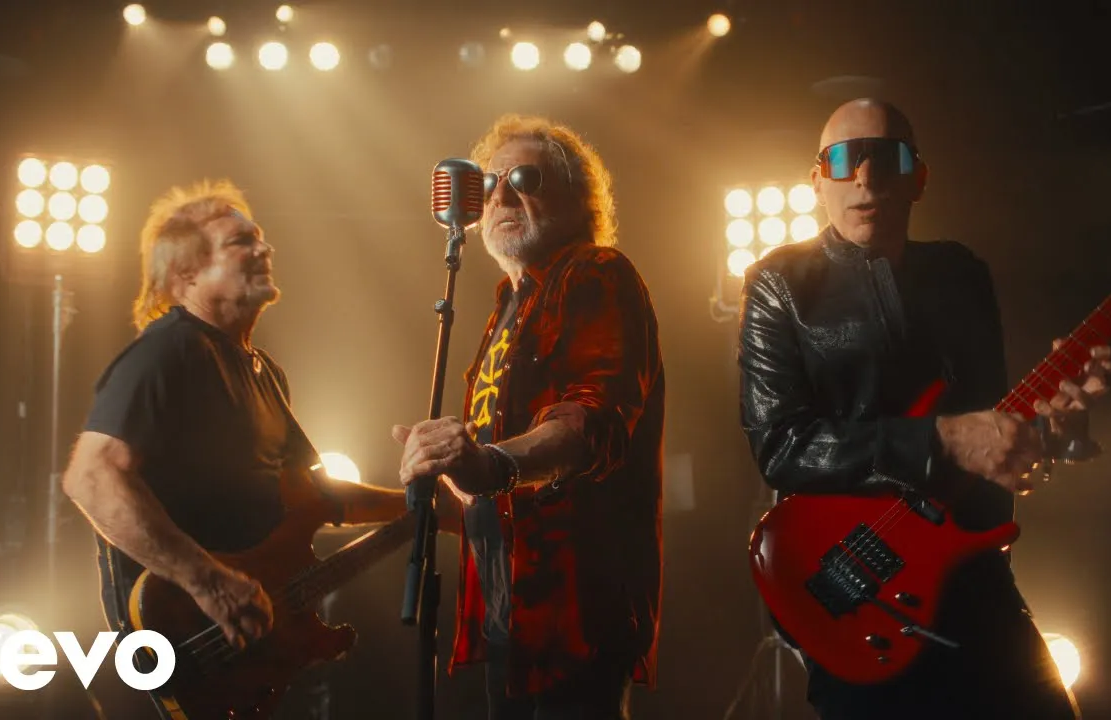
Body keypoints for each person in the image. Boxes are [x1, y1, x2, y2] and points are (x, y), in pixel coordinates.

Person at [737, 98, 1111, 720]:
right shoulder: (778, 283)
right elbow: (780, 446)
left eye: (886, 157)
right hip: (858, 581)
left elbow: (993, 439)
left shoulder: (961, 273)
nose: (865, 176)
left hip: (972, 576)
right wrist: (941, 438)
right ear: (817, 180)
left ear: (919, 178)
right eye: (843, 159)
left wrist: (1054, 430)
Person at [61, 179, 408, 719]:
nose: (264, 249)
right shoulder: (168, 351)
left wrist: (420, 504)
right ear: (187, 274)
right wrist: (206, 582)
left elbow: (315, 497)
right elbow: (90, 477)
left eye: (260, 238)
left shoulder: (264, 371)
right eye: (241, 242)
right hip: (181, 650)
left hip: (250, 655)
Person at [392, 114, 665, 719]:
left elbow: (590, 423)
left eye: (525, 179)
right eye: (490, 183)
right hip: (506, 611)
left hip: (573, 610)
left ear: (578, 200)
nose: (502, 196)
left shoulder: (596, 273)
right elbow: (483, 471)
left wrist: (489, 465)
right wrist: (440, 464)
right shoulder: (507, 306)